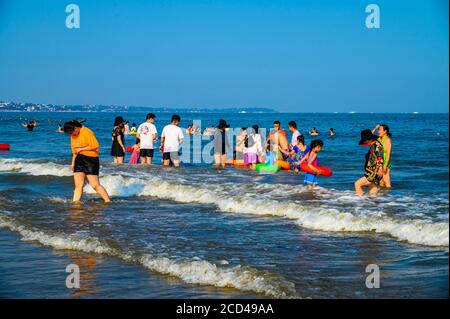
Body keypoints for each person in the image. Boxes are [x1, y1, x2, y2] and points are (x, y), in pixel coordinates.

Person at [63, 120, 110, 203]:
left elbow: (96, 145)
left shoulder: (87, 132)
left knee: (95, 185)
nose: (72, 134)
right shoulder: (73, 135)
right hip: (78, 159)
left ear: (76, 128)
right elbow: (74, 151)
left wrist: (82, 148)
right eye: (70, 133)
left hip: (91, 159)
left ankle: (107, 201)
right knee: (78, 185)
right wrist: (73, 163)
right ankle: (75, 204)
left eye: (72, 132)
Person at [354, 129, 384, 196]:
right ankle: (372, 204)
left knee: (357, 184)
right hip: (372, 171)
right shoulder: (373, 145)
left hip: (374, 172)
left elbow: (380, 156)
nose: (365, 143)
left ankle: (359, 202)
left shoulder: (377, 146)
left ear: (369, 139)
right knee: (372, 189)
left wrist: (380, 168)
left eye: (365, 140)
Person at [372, 124, 392, 188]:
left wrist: (385, 166)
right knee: (381, 183)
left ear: (385, 131)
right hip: (379, 163)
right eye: (378, 130)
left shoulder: (388, 140)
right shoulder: (379, 139)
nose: (378, 131)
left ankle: (392, 197)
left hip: (385, 163)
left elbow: (388, 154)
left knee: (387, 183)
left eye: (380, 130)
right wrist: (375, 128)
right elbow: (369, 137)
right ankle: (383, 197)